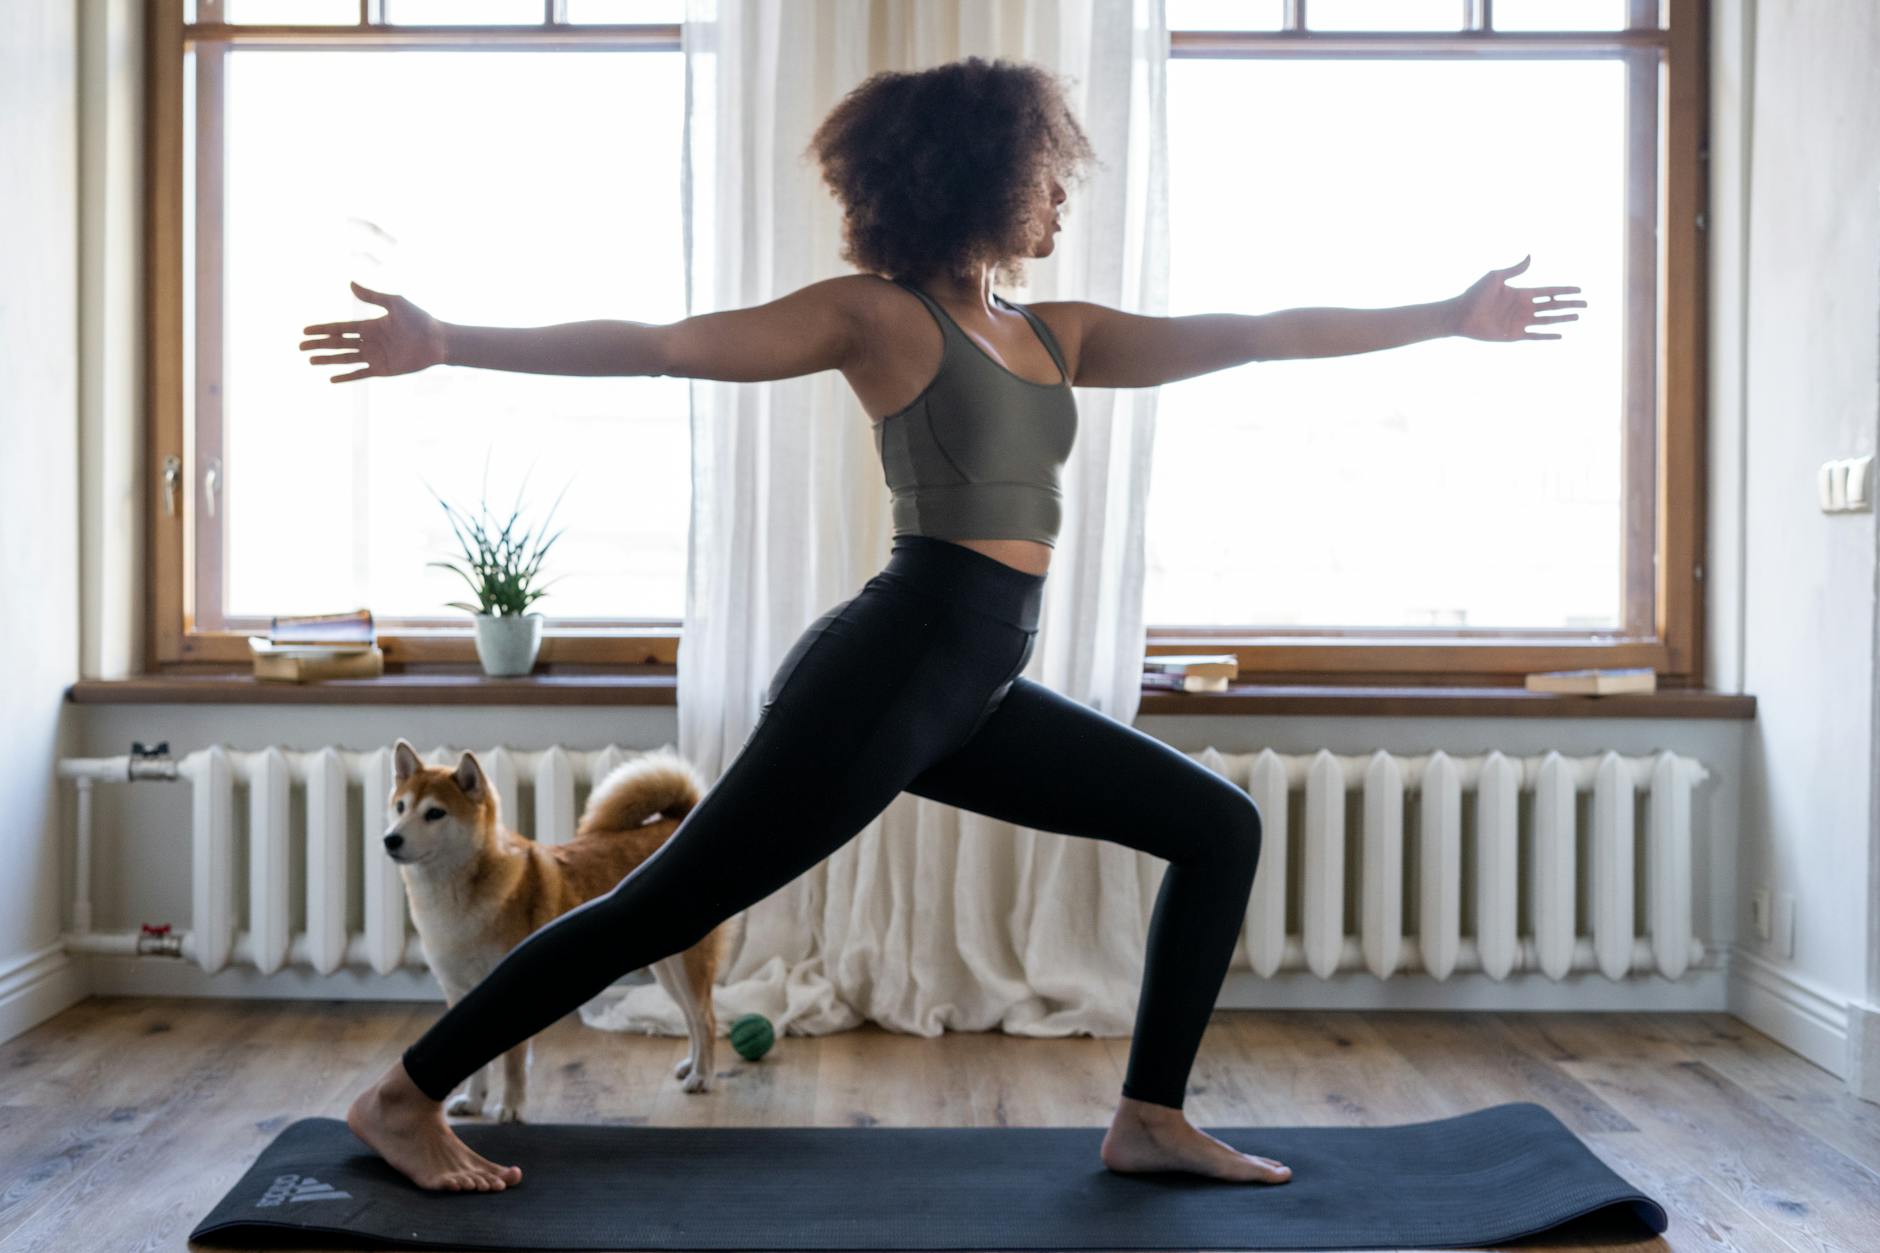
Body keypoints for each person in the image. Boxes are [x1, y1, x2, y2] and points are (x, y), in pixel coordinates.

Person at [298, 55, 1582, 1196]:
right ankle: (402, 1097)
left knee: (1213, 824)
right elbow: (666, 344)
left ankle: (1148, 1115)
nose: (1061, 199)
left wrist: (1447, 316)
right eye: (1045, 175)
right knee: (660, 901)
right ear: (979, 176)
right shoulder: (877, 317)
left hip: (970, 681)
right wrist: (449, 338)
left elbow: (1250, 334)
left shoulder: (1048, 331)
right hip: (890, 664)